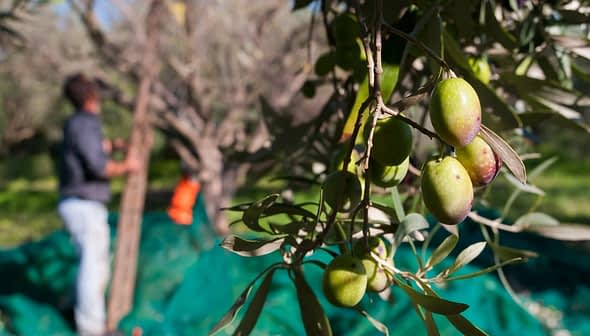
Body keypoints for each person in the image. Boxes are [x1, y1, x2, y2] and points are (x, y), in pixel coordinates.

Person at [57, 73, 138, 336]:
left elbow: (93, 149)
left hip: (78, 204)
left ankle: (73, 307)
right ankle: (91, 329)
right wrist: (128, 166)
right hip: (83, 204)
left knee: (95, 263)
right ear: (91, 96)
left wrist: (115, 145)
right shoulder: (86, 123)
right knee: (93, 266)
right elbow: (98, 166)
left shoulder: (76, 124)